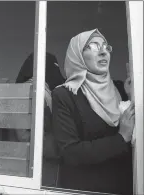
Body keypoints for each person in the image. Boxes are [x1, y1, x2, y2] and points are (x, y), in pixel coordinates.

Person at [52, 29, 133, 194]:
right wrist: (120, 138)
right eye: (94, 46)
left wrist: (134, 96)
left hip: (124, 186)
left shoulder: (121, 89)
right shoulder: (65, 95)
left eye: (105, 47)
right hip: (85, 188)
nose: (103, 51)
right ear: (78, 55)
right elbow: (70, 152)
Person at [14, 52, 65, 187]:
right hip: (37, 166)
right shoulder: (29, 92)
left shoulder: (48, 91)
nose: (56, 71)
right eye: (52, 67)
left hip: (47, 162)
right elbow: (24, 136)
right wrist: (59, 145)